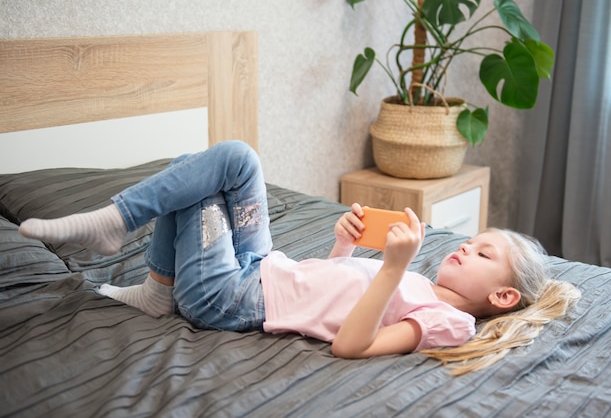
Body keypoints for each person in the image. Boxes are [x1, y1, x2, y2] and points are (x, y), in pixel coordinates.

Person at [18, 141, 580, 375]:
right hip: (262, 262)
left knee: (199, 179)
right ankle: (150, 277)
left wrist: (389, 268)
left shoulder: (450, 322)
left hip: (232, 297)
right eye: (471, 239)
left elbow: (351, 343)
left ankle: (116, 225)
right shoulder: (415, 283)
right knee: (224, 160)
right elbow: (330, 290)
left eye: (481, 252)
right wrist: (345, 245)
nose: (463, 245)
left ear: (502, 297)